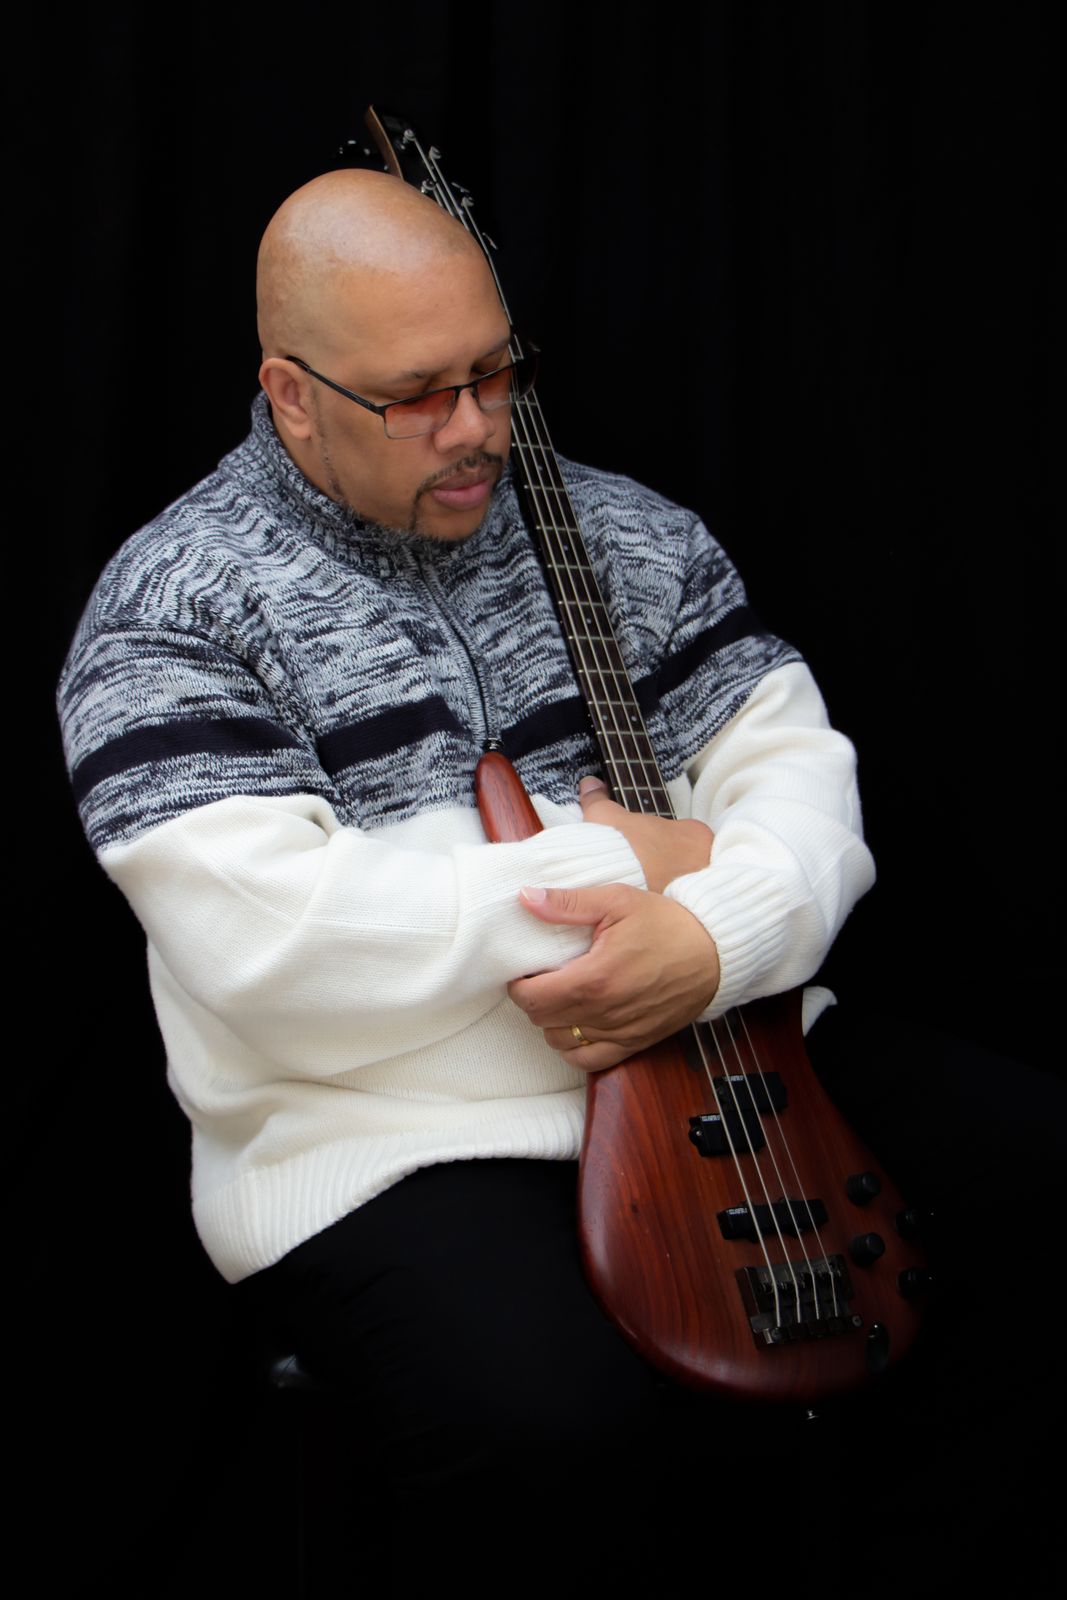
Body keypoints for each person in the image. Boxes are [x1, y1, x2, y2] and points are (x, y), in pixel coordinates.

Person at [58, 169, 878, 1591]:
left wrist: (720, 936)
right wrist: (636, 867)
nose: (479, 427)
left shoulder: (628, 534)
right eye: (418, 395)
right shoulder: (171, 612)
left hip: (735, 1050)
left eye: (498, 373)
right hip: (392, 1139)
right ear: (292, 394)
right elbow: (282, 950)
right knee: (557, 1427)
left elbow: (796, 776)